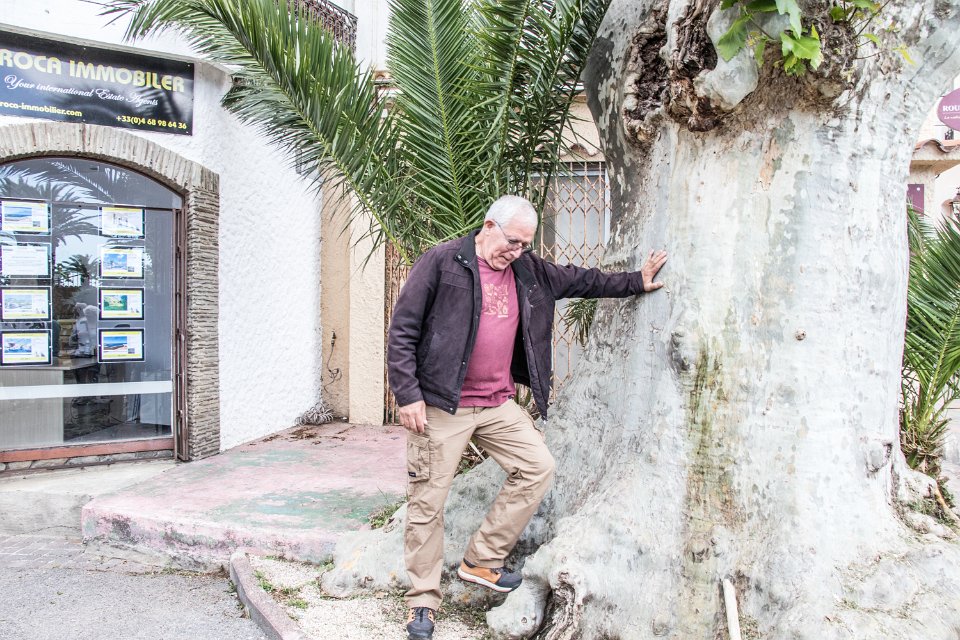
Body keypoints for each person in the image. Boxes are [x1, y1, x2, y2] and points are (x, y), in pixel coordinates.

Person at [388, 195, 667, 640]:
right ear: (488, 226)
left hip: (497, 404)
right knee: (427, 504)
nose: (516, 251)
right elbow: (403, 330)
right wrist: (408, 395)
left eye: (524, 244)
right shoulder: (443, 262)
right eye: (512, 241)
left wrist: (636, 281)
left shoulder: (528, 270)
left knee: (538, 467)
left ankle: (482, 560)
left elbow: (582, 280)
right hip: (443, 404)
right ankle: (422, 601)